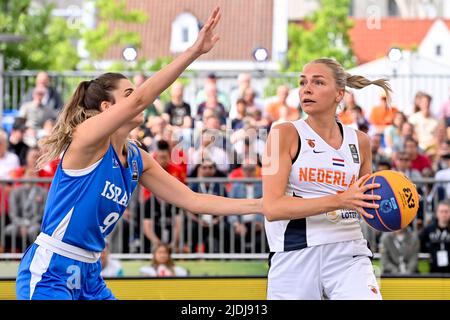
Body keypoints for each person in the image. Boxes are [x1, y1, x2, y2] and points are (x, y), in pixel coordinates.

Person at [15, 8, 260, 300]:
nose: (139, 101)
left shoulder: (136, 159)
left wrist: (259, 204)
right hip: (51, 270)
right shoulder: (88, 139)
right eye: (129, 95)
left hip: (90, 273)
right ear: (108, 108)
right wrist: (193, 51)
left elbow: (194, 200)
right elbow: (144, 97)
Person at [262, 58, 388, 300]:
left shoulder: (360, 141)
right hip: (295, 251)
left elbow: (367, 205)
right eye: (303, 82)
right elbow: (272, 207)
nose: (306, 89)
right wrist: (340, 200)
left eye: (318, 82)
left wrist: (397, 200)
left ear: (339, 94)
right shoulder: (283, 134)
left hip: (349, 248)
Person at [420, 200, 450, 274]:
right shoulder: (429, 230)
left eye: (446, 211)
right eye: (441, 211)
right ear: (437, 213)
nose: (444, 214)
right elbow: (420, 245)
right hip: (433, 271)